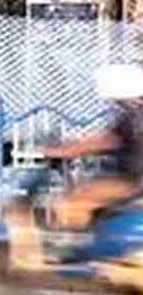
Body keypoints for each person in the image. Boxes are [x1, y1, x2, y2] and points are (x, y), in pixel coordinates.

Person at [42, 60, 143, 231]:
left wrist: (58, 150)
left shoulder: (135, 116)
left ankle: (75, 251)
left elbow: (105, 140)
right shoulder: (133, 114)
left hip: (133, 180)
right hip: (130, 177)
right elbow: (106, 139)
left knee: (71, 203)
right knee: (83, 192)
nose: (115, 104)